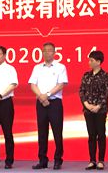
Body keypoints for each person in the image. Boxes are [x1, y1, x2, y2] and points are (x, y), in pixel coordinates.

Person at [29, 42, 69, 170]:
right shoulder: (37, 68)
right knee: (42, 132)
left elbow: (61, 84)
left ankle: (58, 159)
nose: (47, 53)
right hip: (41, 103)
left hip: (54, 103)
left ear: (54, 52)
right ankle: (42, 160)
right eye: (44, 50)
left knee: (57, 132)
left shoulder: (60, 67)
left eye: (50, 50)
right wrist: (41, 96)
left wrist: (47, 95)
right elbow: (32, 84)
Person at [79, 50, 108, 171]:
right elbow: (81, 91)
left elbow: (107, 92)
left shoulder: (106, 76)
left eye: (91, 60)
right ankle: (92, 160)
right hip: (88, 110)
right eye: (89, 60)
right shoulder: (86, 75)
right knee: (91, 135)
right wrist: (86, 104)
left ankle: (101, 161)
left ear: (98, 62)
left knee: (101, 134)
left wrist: (98, 106)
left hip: (100, 110)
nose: (89, 62)